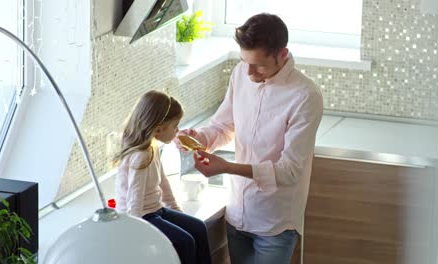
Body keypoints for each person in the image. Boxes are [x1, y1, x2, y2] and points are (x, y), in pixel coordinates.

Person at [175, 13, 323, 264]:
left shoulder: (305, 96)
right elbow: (223, 127)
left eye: (259, 65)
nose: (250, 72)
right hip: (237, 216)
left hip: (275, 222)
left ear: (282, 54)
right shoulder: (241, 73)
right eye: (245, 62)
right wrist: (199, 138)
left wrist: (227, 167)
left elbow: (290, 171)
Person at [113, 90, 212, 264]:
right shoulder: (140, 155)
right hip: (141, 216)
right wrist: (134, 231)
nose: (177, 130)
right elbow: (134, 198)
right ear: (159, 129)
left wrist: (176, 210)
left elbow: (163, 183)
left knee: (198, 227)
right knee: (184, 241)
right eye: (175, 126)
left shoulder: (153, 148)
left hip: (156, 210)